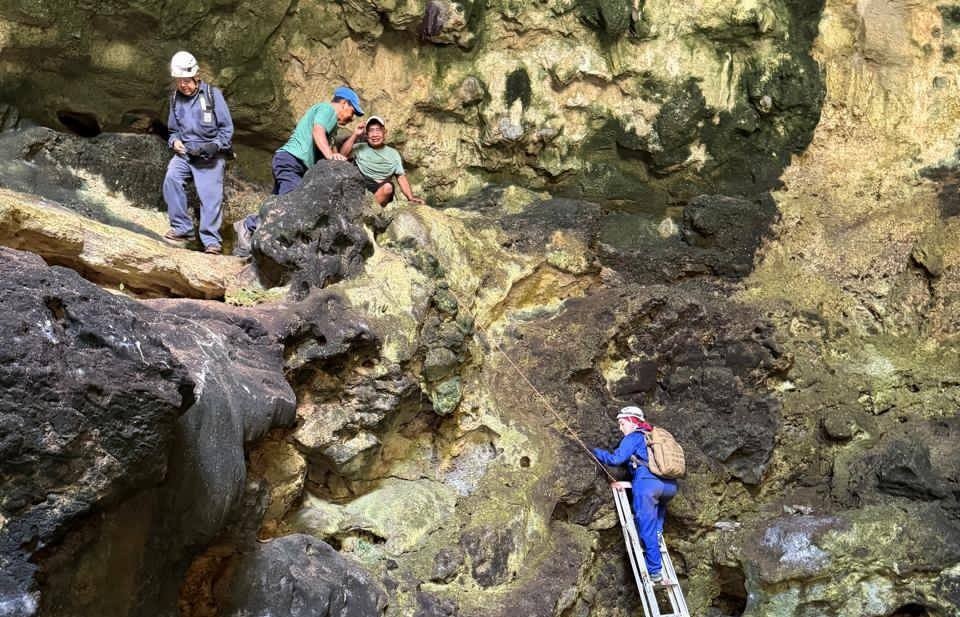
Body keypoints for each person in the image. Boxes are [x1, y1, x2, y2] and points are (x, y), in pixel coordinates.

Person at [233, 86, 364, 256]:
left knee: (278, 206)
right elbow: (318, 132)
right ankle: (248, 226)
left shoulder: (331, 125)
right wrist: (331, 155)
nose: (352, 118)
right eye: (352, 112)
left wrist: (336, 153)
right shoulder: (327, 110)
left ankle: (249, 237)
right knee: (293, 207)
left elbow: (336, 154)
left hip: (292, 164)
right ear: (344, 103)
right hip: (291, 161)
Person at [593, 406, 679, 584]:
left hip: (648, 486)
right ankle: (657, 533)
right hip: (669, 486)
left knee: (645, 528)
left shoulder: (634, 437)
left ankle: (655, 572)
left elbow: (615, 460)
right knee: (655, 522)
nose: (620, 428)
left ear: (632, 422)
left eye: (622, 423)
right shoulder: (652, 436)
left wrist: (595, 452)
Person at [162, 51, 233, 255]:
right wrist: (174, 141)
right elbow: (173, 129)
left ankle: (211, 241)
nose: (183, 85)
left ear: (196, 76)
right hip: (185, 151)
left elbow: (227, 129)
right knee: (172, 179)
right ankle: (182, 228)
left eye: (186, 80)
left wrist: (215, 146)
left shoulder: (212, 95)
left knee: (210, 197)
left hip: (210, 153)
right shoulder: (175, 98)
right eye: (179, 81)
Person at [340, 116, 425, 206]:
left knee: (388, 187)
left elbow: (401, 177)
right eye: (371, 131)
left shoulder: (393, 154)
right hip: (360, 183)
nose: (375, 134)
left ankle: (365, 210)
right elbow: (342, 155)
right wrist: (355, 134)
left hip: (380, 189)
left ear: (384, 132)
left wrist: (410, 197)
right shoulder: (359, 147)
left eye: (378, 130)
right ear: (366, 134)